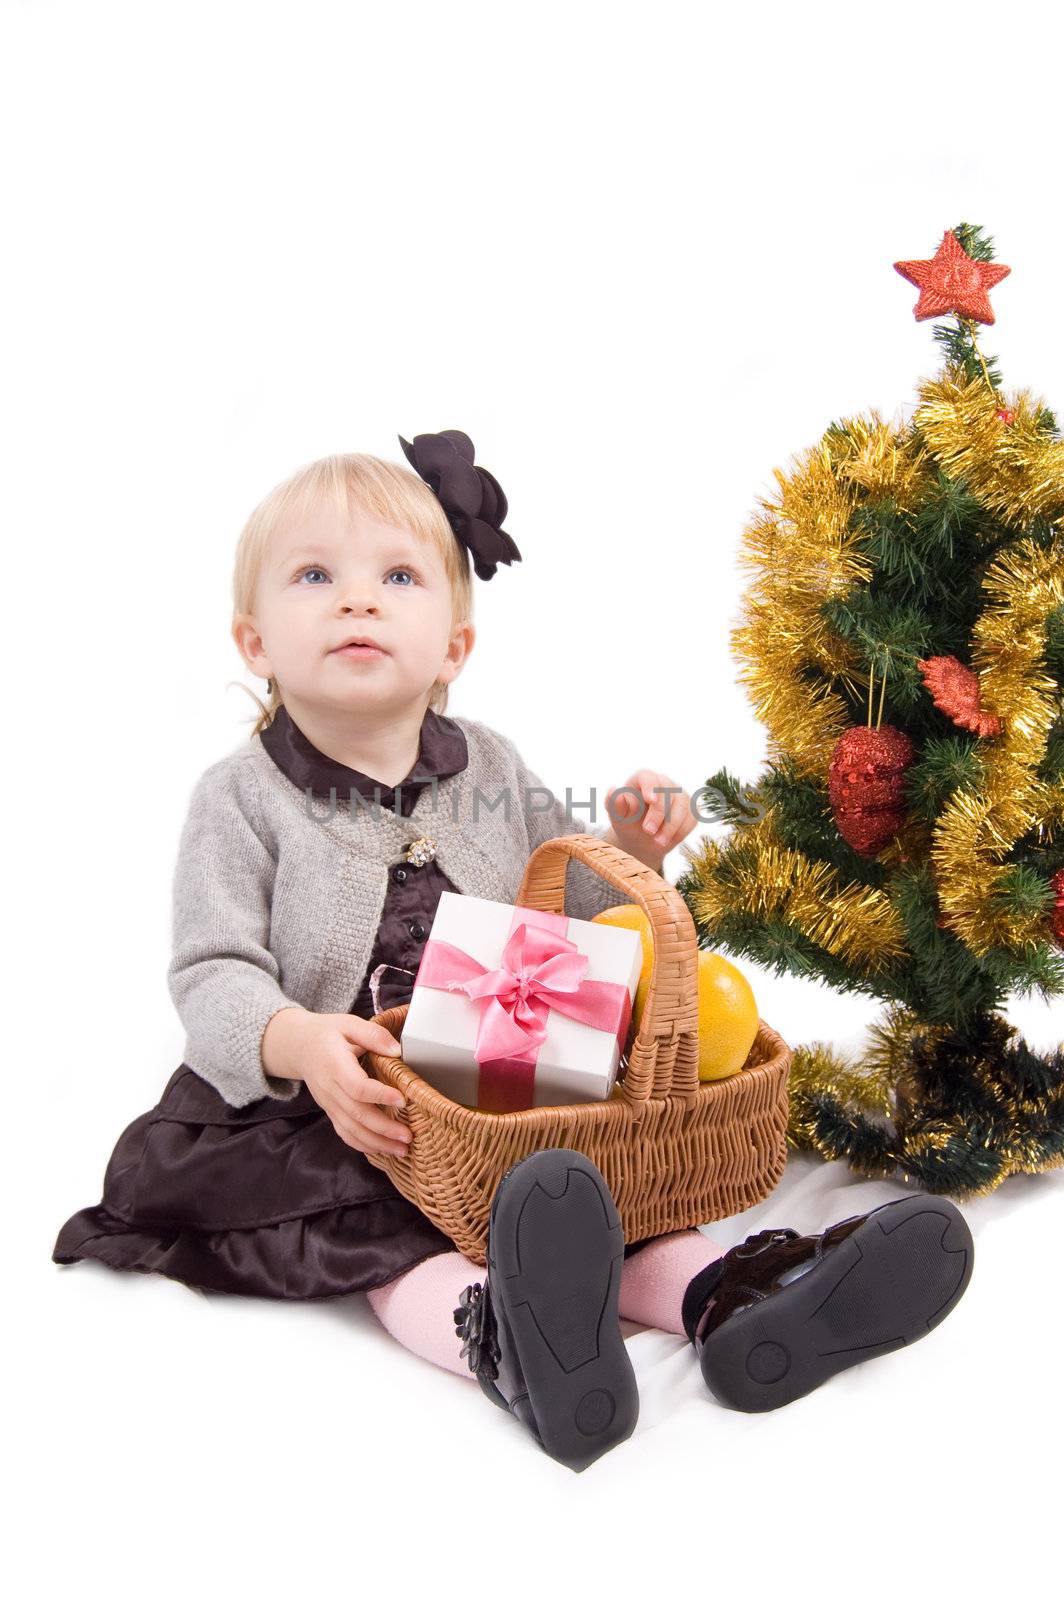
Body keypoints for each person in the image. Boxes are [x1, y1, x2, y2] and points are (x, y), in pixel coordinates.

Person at [52, 430, 974, 1471]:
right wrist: (298, 1040)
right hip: (350, 1098)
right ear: (254, 640)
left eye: (397, 577)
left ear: (453, 646)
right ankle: (498, 1333)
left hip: (505, 1073)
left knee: (600, 1187)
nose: (356, 600)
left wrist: (629, 851)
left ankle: (735, 1296)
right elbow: (210, 970)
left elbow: (571, 913)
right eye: (315, 576)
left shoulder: (488, 765)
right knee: (382, 1227)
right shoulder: (239, 798)